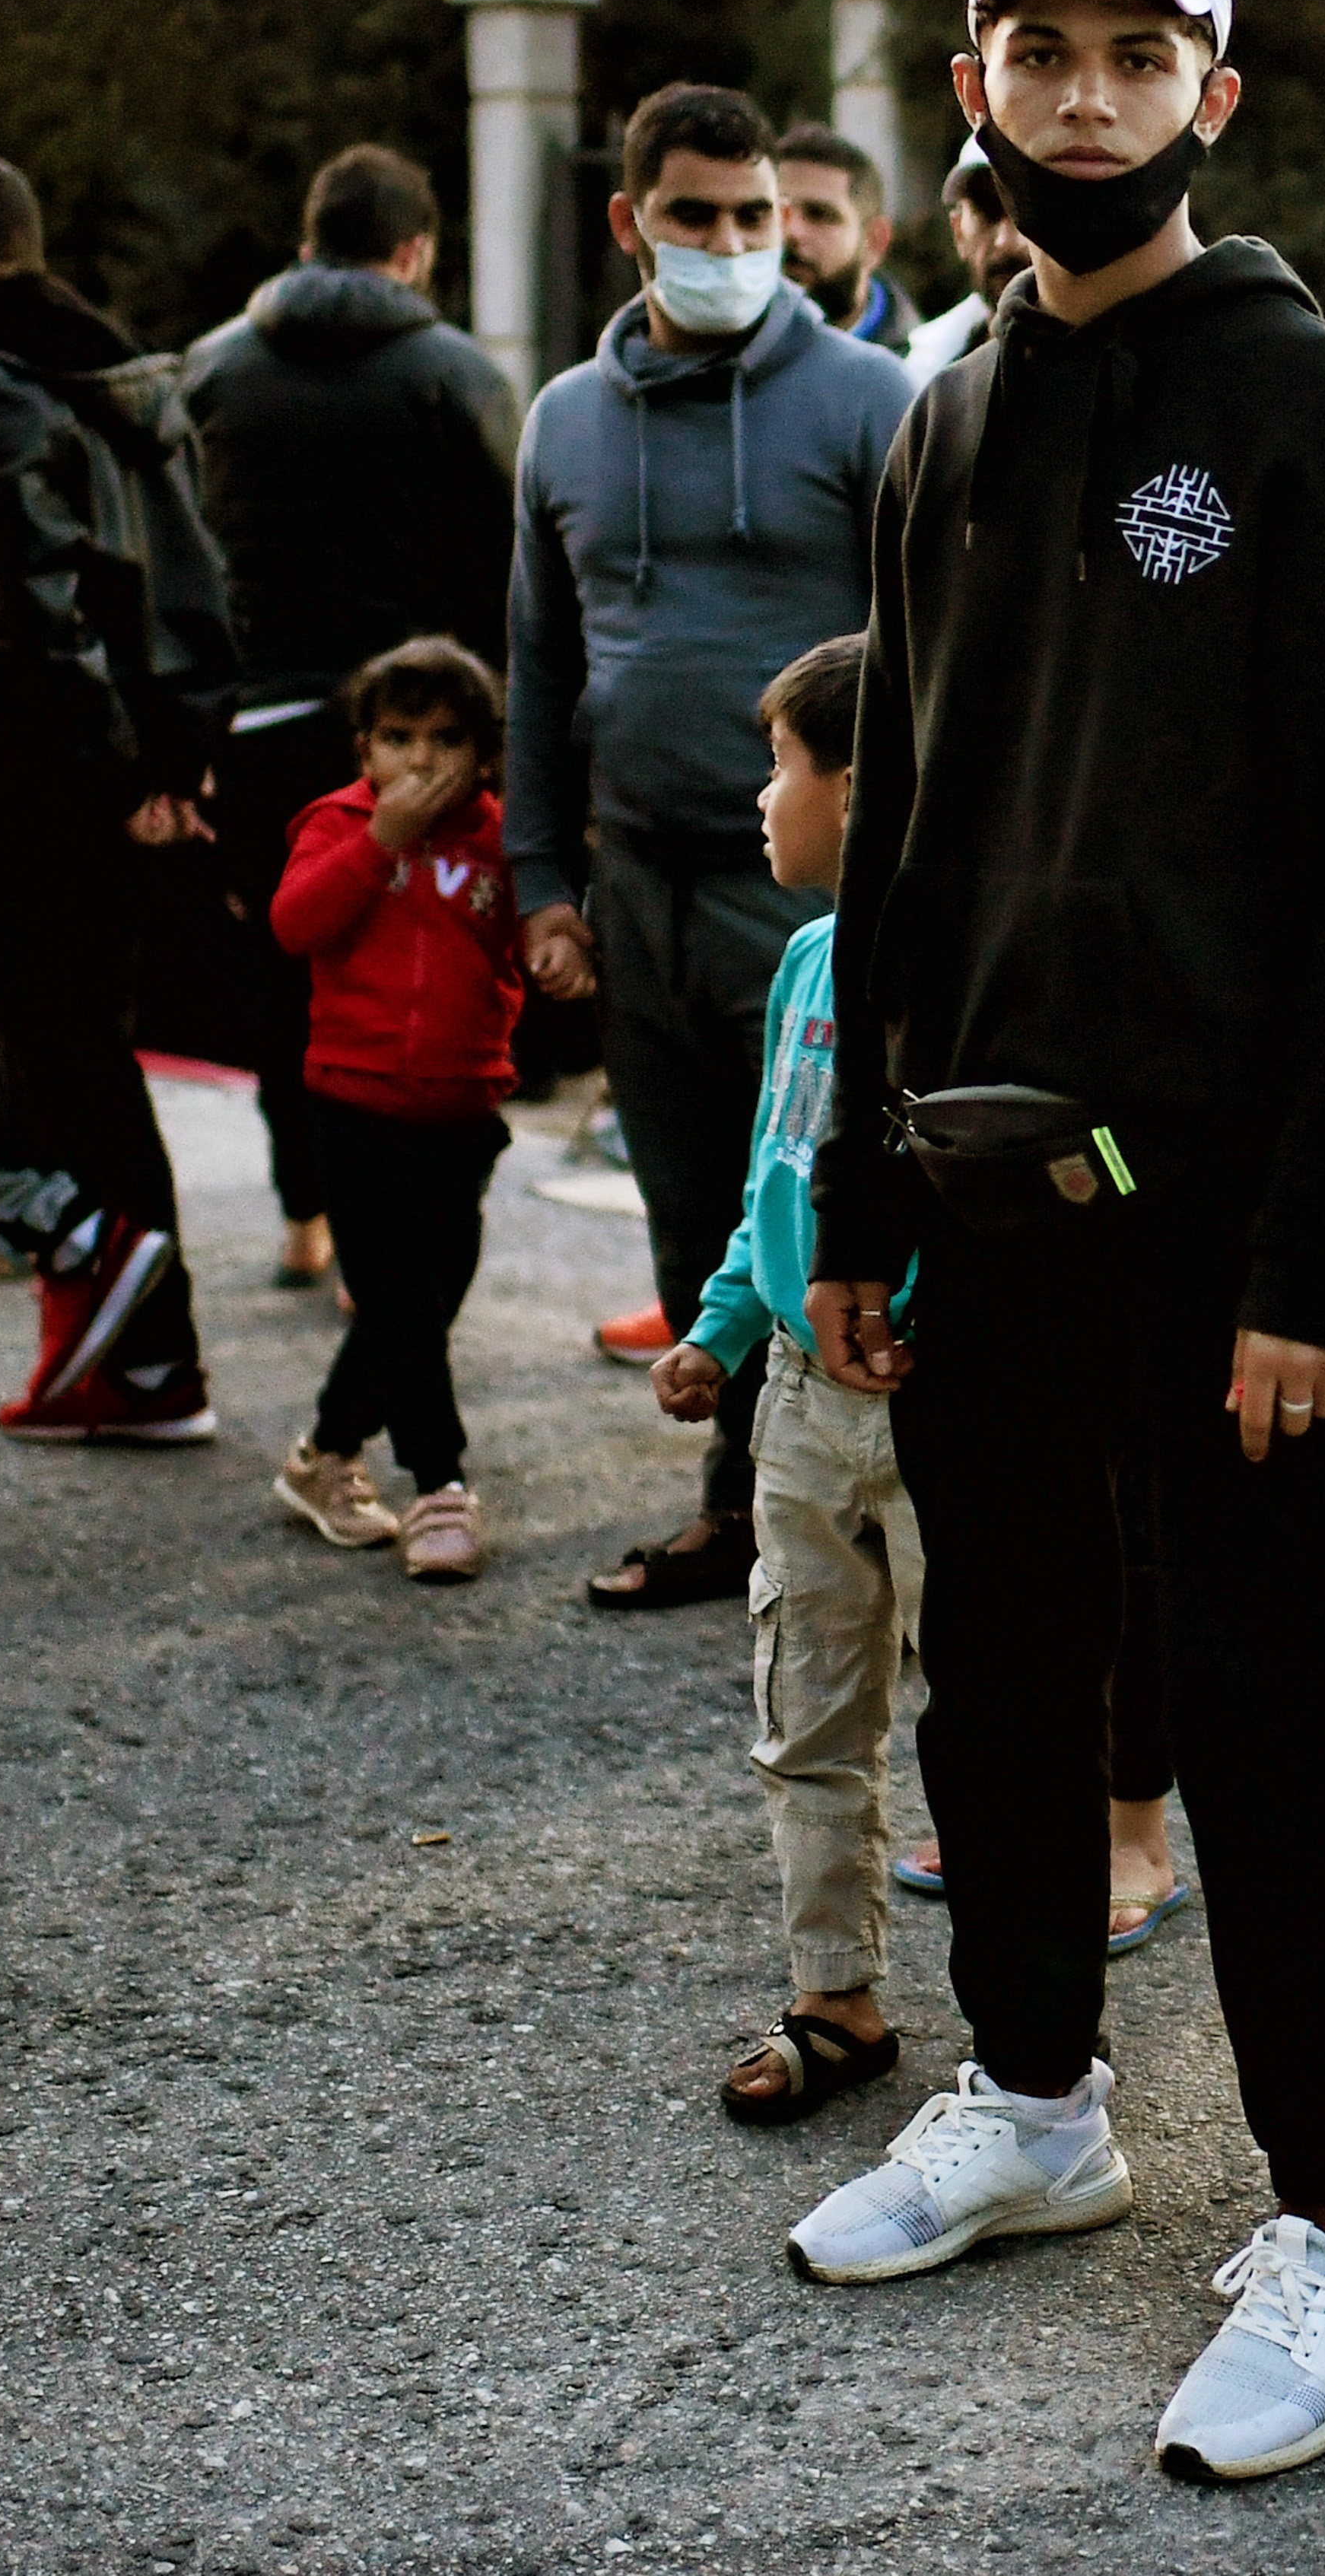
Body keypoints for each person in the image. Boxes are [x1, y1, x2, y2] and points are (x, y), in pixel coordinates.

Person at [783, 0, 1325, 2487]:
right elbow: (900, 842)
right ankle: (1038, 2093)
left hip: (1223, 1215)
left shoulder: (1319, 411)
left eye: (1128, 54)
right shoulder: (941, 403)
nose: (1082, 99)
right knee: (1006, 1656)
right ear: (970, 88)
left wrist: (1321, 1263)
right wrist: (852, 1188)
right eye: (1034, 53)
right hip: (974, 1181)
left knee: (1269, 1711)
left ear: (1215, 89)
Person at [510, 83, 911, 1610]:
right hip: (637, 878)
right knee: (696, 1200)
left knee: (836, 1183)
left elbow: (933, 660)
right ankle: (738, 1504)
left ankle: (869, 1512)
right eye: (697, 218)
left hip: (813, 886)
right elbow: (539, 667)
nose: (737, 246)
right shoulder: (563, 419)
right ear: (630, 225)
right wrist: (544, 886)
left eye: (757, 218)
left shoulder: (870, 399)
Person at [0, 151, 243, 1449]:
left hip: (35, 782)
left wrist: (112, 766)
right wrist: (170, 757)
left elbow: (30, 613)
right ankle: (138, 1356)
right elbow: (190, 582)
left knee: (41, 1067)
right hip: (120, 772)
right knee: (84, 1060)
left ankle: (141, 1355)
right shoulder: (119, 375)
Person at [650, 634, 926, 2127]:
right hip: (807, 1412)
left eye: (783, 766)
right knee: (809, 1705)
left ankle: (1036, 2033)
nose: (763, 799)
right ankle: (837, 1996)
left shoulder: (963, 966)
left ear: (860, 786)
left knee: (990, 1720)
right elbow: (777, 1172)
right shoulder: (805, 963)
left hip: (939, 1403)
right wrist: (720, 1328)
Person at [177, 142, 520, 1283]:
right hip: (412, 727)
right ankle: (407, 1222)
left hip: (261, 722)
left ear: (307, 238)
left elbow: (181, 559)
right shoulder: (456, 372)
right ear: (415, 250)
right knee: (427, 969)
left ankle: (305, 1217)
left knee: (291, 978)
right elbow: (503, 564)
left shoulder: (215, 368)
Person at [265, 638, 524, 1585]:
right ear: (362, 749)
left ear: (486, 751)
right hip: (353, 1101)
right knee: (401, 1302)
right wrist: (381, 843)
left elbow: (524, 937)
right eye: (397, 738)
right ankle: (438, 1482)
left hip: (461, 1101)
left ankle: (325, 1454)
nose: (420, 761)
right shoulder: (337, 825)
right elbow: (297, 924)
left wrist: (556, 951)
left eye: (446, 738)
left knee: (427, 1294)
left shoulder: (498, 836)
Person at [777, 122, 919, 349]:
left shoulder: (926, 370)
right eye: (776, 213)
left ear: (875, 241)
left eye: (819, 215)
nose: (792, 232)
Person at [900, 152, 1027, 387]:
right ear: (958, 231)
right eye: (988, 212)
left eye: (1028, 210)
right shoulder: (923, 370)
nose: (1008, 242)